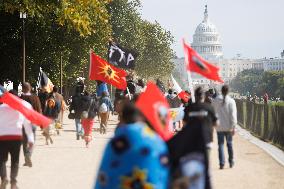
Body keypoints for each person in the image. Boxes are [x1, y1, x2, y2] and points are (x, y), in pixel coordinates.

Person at [94, 103, 169, 189]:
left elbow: (104, 176)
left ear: (123, 118)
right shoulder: (158, 142)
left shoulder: (119, 140)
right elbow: (162, 176)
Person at [167, 87, 217, 189]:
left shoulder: (190, 108)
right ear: (203, 96)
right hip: (206, 139)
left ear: (195, 95)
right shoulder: (209, 107)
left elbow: (184, 123)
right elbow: (215, 123)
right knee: (205, 163)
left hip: (189, 141)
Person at [0, 91, 34, 189]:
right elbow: (27, 124)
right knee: (15, 160)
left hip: (2, 137)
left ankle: (4, 178)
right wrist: (31, 139)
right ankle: (13, 183)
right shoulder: (21, 108)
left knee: (1, 160)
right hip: (16, 137)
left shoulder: (1, 108)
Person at [212, 85, 237, 169]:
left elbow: (213, 112)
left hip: (219, 126)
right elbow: (233, 116)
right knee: (229, 144)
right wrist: (233, 126)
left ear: (221, 91)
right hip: (229, 127)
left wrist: (214, 123)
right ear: (228, 91)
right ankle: (231, 161)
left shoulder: (215, 101)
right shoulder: (231, 101)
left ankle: (222, 163)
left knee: (221, 145)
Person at [20, 82, 42, 167]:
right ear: (30, 88)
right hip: (32, 122)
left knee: (24, 142)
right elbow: (39, 110)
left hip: (22, 122)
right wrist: (41, 123)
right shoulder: (35, 98)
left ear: (23, 89)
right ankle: (28, 155)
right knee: (32, 141)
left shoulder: (21, 98)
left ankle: (26, 158)